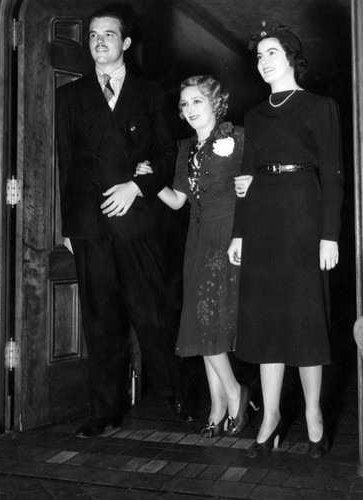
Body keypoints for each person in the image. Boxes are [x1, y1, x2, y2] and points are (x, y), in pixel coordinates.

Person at [55, 5, 191, 438]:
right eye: (93, 36)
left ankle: (178, 395)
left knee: (153, 314)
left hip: (138, 224)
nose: (98, 42)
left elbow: (169, 156)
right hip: (91, 227)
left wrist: (137, 188)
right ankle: (104, 410)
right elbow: (66, 165)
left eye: (108, 35)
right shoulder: (70, 97)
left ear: (125, 43)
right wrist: (69, 226)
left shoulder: (152, 94)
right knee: (100, 320)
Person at [228, 26, 344, 458]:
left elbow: (333, 176)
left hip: (303, 219)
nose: (263, 61)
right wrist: (239, 232)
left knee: (305, 321)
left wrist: (328, 236)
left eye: (271, 52)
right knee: (264, 325)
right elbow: (246, 176)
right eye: (259, 56)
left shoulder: (319, 107)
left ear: (292, 57)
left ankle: (313, 416)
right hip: (261, 221)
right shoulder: (255, 116)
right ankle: (271, 418)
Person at [135, 75, 254, 437]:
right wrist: (149, 183)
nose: (189, 110)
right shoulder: (186, 148)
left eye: (197, 101)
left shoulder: (238, 138)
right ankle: (218, 408)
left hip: (228, 235)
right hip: (197, 238)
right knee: (203, 322)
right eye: (184, 104)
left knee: (209, 321)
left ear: (215, 103)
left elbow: (258, 186)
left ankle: (235, 392)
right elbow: (177, 201)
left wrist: (245, 231)